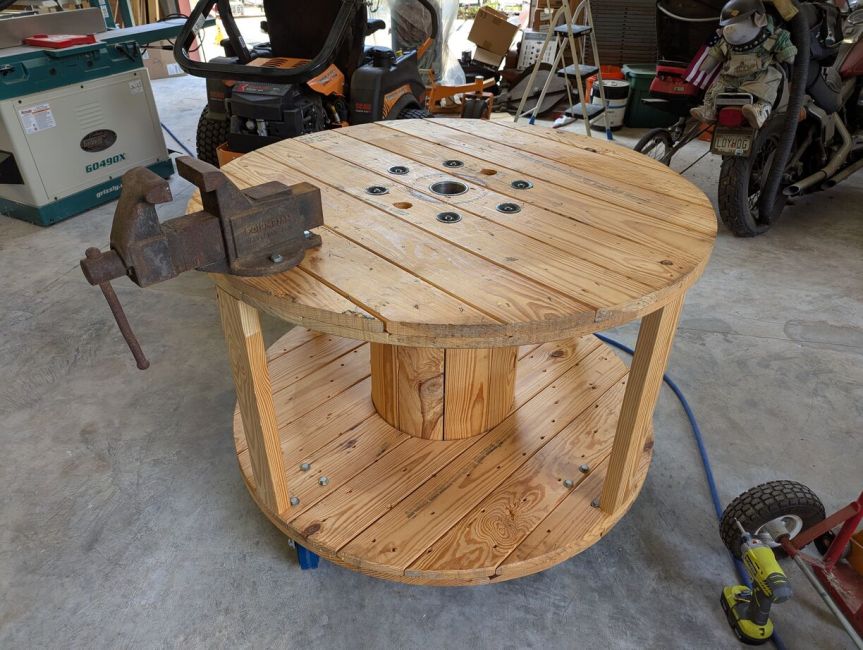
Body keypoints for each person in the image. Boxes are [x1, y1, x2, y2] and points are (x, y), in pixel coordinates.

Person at [689, 0, 797, 128]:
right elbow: (716, 54)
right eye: (728, 24)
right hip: (730, 77)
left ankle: (761, 110)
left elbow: (789, 57)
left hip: (758, 76)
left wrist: (787, 54)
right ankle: (709, 110)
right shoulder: (725, 42)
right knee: (716, 88)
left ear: (758, 19)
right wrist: (706, 66)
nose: (729, 29)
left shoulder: (774, 36)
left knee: (770, 79)